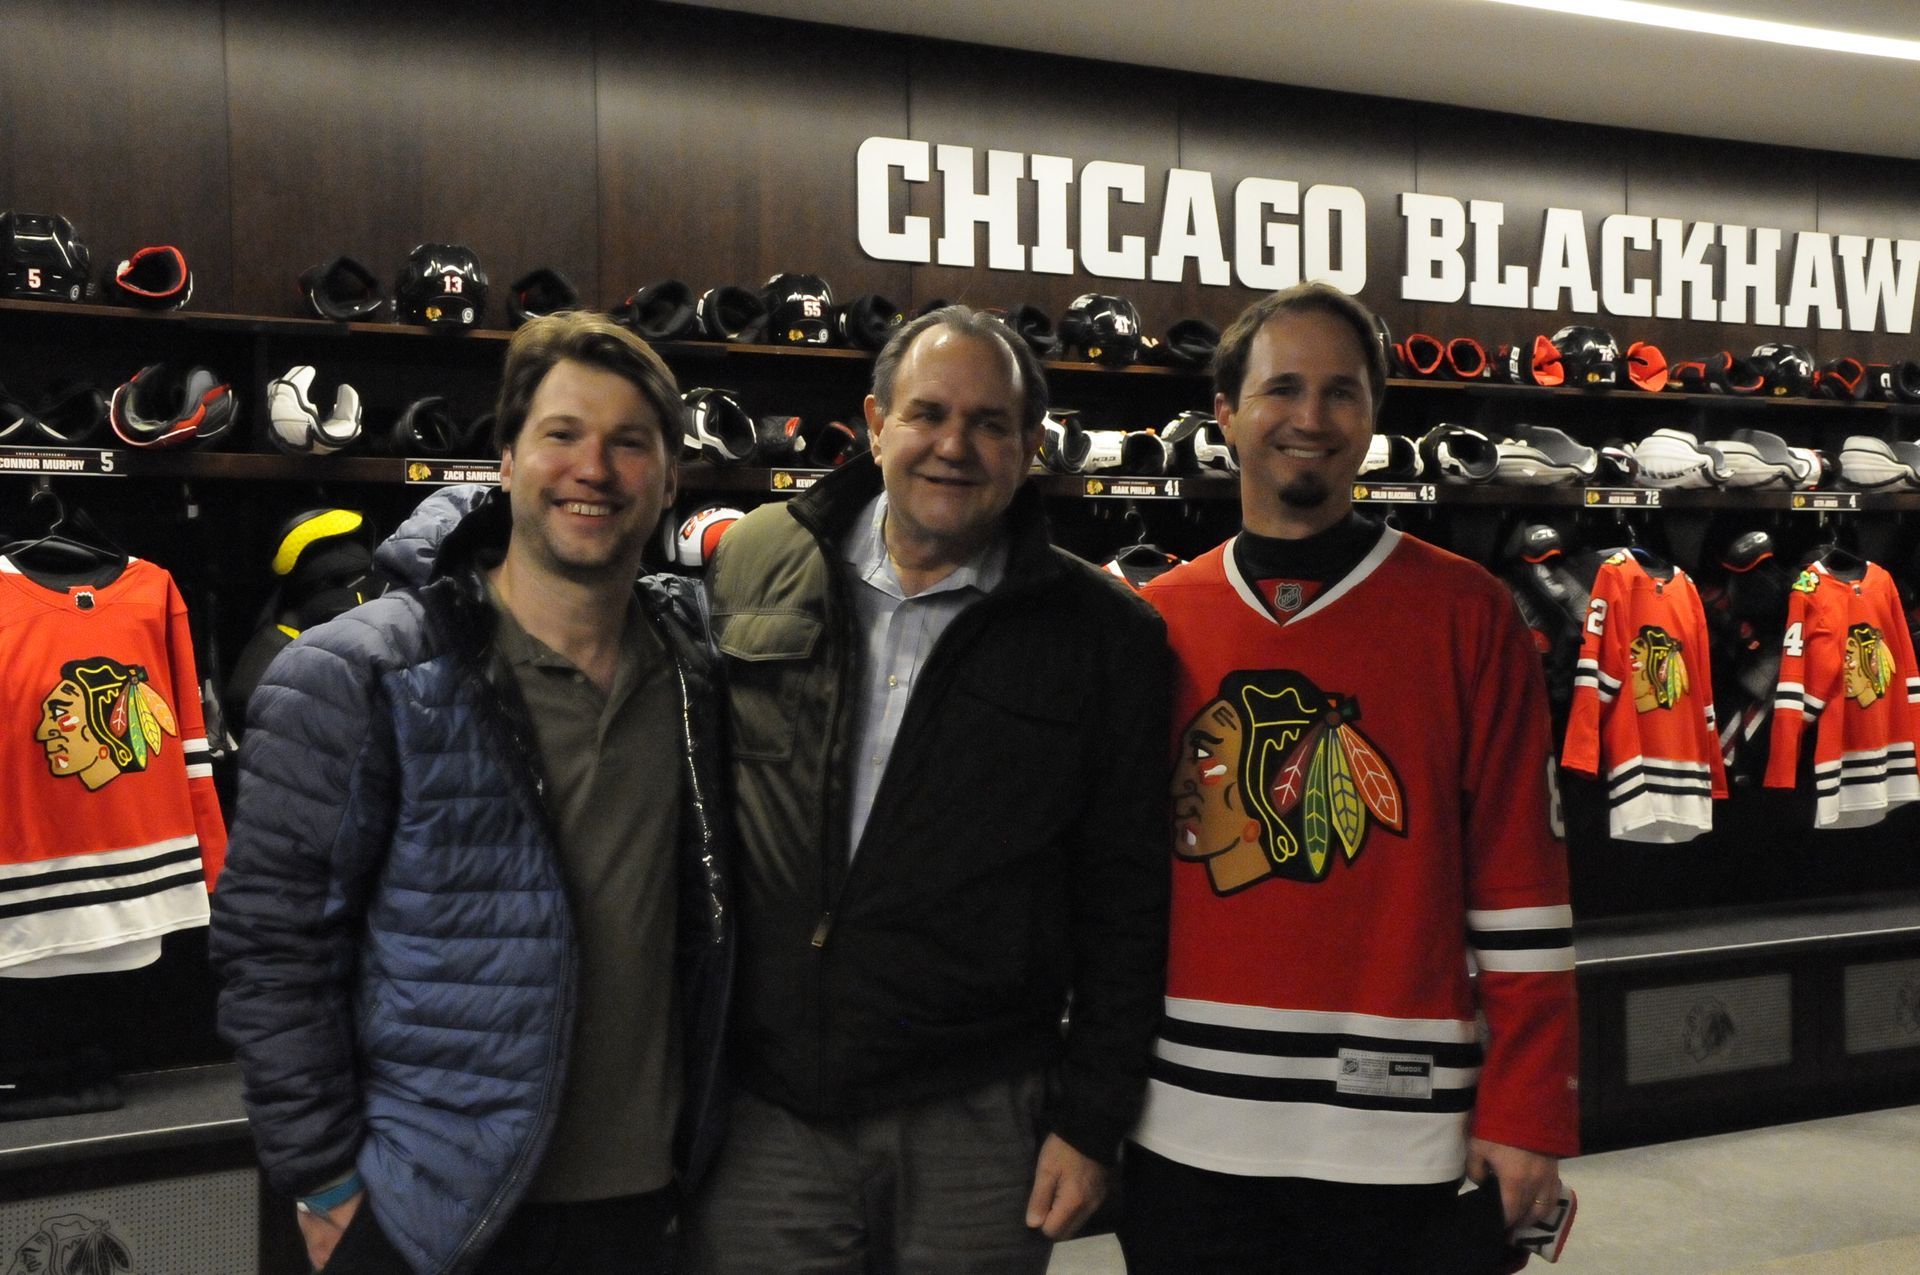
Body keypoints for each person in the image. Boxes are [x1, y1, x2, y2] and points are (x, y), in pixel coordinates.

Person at [209, 311, 733, 1275]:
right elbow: (272, 945)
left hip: (643, 1206)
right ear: (505, 458)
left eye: (631, 443)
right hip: (419, 1214)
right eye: (562, 434)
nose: (596, 468)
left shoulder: (697, 666)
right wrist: (325, 1185)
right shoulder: (357, 672)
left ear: (671, 477)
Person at [689, 305, 1170, 1273]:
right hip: (771, 1107)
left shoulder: (1104, 632)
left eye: (992, 424)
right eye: (928, 414)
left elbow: (1129, 897)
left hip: (981, 1116)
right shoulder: (759, 559)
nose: (956, 445)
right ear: (874, 423)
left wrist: (1091, 1118)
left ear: (1031, 446)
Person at [1117, 282, 1579, 1274]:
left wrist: (1530, 1104)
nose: (1311, 418)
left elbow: (1522, 885)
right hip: (1184, 1124)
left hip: (1398, 1128)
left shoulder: (1469, 612)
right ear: (1225, 413)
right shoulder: (1151, 619)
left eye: (1342, 392)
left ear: (1374, 417)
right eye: (1282, 387)